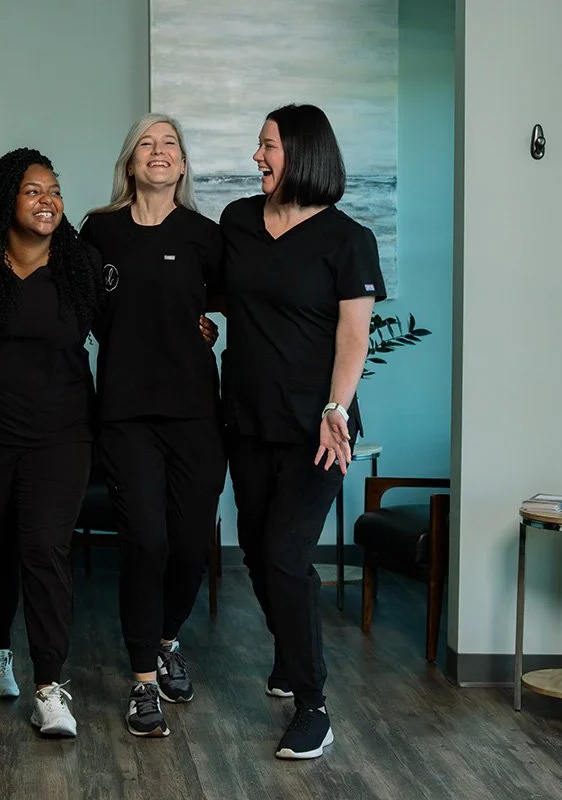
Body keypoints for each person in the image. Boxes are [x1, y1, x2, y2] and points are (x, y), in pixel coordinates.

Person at [217, 103, 385, 760]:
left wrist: (336, 408)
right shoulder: (237, 220)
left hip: (319, 430)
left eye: (268, 146)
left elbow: (353, 336)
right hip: (247, 418)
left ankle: (313, 705)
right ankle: (291, 657)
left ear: (303, 154)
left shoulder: (349, 239)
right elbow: (218, 295)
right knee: (258, 553)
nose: (257, 157)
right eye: (259, 145)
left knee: (286, 555)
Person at [80, 114, 226, 738]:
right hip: (126, 414)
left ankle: (167, 640)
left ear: (183, 164)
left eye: (170, 144)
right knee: (145, 542)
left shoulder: (205, 235)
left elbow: (222, 305)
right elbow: (84, 307)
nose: (159, 151)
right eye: (147, 143)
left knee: (190, 545)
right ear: (130, 162)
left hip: (196, 414)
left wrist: (203, 327)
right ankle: (143, 680)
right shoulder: (99, 229)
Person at [0, 148, 101, 737]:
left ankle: (49, 686)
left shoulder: (80, 263)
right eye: (33, 190)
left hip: (61, 435)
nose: (48, 201)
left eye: (55, 191)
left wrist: (196, 323)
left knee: (44, 549)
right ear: (5, 201)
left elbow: (130, 323)